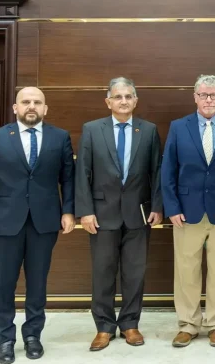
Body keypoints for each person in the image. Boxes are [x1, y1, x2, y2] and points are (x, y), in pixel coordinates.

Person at [0, 87, 75, 364]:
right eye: (26, 101)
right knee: (4, 284)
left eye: (37, 102)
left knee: (38, 283)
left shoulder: (60, 137)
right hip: (5, 223)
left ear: (45, 108)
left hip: (45, 221)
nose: (32, 106)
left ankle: (33, 336)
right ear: (15, 108)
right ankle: (4, 340)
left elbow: (68, 178)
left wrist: (68, 211)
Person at [75, 77, 163, 351]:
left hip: (138, 213)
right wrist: (85, 211)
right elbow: (82, 173)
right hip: (101, 214)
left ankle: (129, 324)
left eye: (128, 96)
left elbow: (156, 172)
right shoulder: (92, 130)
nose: (123, 101)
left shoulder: (148, 130)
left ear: (135, 101)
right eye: (118, 96)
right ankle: (104, 327)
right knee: (103, 272)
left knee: (134, 273)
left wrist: (157, 207)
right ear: (108, 102)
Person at [162, 74, 215, 348]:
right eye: (204, 95)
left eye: (214, 95)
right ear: (195, 97)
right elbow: (168, 171)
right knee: (186, 271)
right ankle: (188, 325)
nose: (209, 99)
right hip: (186, 213)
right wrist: (172, 207)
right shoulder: (179, 127)